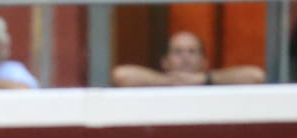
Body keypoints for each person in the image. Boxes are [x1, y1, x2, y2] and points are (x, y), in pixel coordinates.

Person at [111, 31, 265, 87]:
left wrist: (205, 79)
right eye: (178, 52)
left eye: (192, 51)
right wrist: (167, 81)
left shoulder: (213, 84)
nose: (185, 57)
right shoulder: (155, 85)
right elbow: (120, 75)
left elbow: (256, 76)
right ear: (164, 62)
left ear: (204, 62)